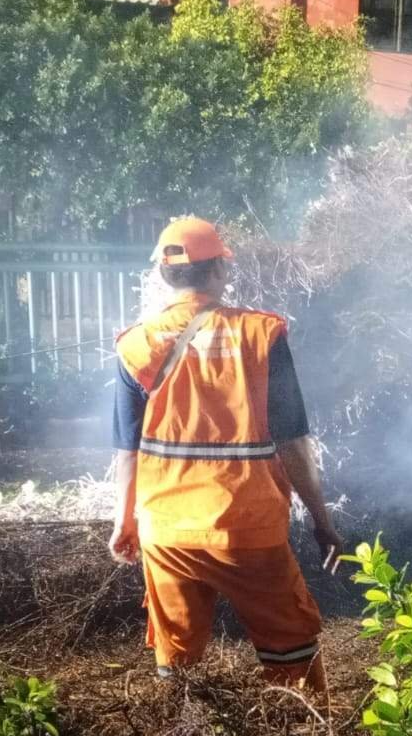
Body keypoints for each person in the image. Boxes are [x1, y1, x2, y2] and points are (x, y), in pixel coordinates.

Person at [109, 217, 344, 698]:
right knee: (289, 648)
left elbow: (127, 449)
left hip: (166, 530)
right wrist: (322, 521)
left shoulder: (136, 345)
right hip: (247, 527)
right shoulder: (261, 335)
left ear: (163, 277)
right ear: (218, 271)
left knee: (177, 661)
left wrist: (124, 521)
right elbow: (293, 443)